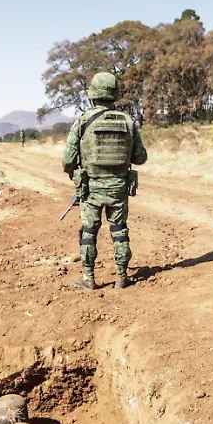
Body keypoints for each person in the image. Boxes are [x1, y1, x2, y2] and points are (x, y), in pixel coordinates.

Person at [62, 72, 148, 290]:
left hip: (91, 188)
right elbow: (140, 158)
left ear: (93, 96)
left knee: (89, 232)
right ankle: (121, 277)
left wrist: (75, 175)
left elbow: (67, 161)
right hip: (118, 186)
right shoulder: (128, 122)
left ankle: (89, 278)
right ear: (114, 95)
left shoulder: (82, 121)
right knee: (119, 230)